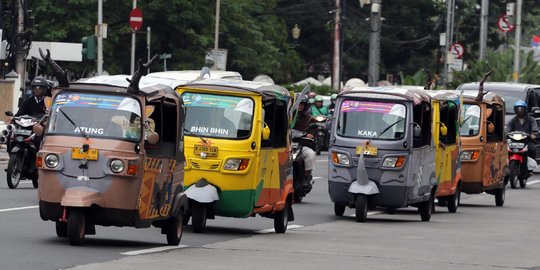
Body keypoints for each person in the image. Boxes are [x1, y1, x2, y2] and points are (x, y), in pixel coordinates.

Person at [293, 96, 317, 181]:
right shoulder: (288, 116)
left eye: (302, 104)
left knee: (310, 154)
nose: (300, 106)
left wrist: (310, 134)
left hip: (303, 144)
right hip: (288, 144)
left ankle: (306, 176)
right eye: (299, 104)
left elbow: (313, 132)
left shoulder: (310, 118)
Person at [507, 100, 538, 165]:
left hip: (526, 140)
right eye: (518, 109)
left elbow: (535, 130)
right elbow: (508, 129)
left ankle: (530, 166)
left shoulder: (531, 120)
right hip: (514, 141)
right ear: (515, 110)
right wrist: (506, 134)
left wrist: (533, 134)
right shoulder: (513, 120)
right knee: (506, 149)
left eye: (522, 109)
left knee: (532, 149)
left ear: (525, 109)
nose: (520, 111)